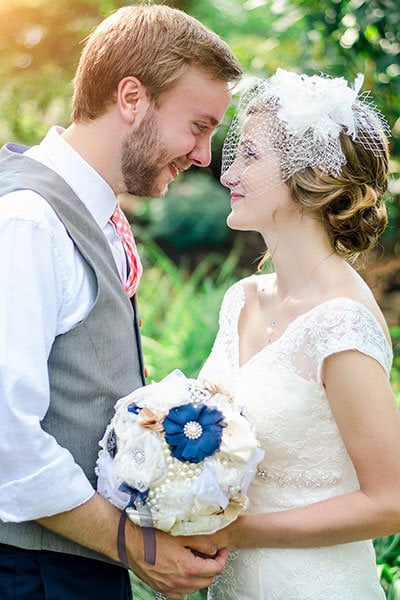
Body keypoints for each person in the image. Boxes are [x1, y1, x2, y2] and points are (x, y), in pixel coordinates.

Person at [0, 4, 242, 599]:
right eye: (199, 126)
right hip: (34, 575)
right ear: (132, 97)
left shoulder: (93, 212)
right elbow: (7, 439)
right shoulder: (29, 220)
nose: (206, 156)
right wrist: (137, 548)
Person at [197, 68, 400, 599]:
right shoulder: (242, 298)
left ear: (307, 172)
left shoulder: (342, 321)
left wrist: (239, 531)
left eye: (250, 156)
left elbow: (391, 501)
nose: (227, 174)